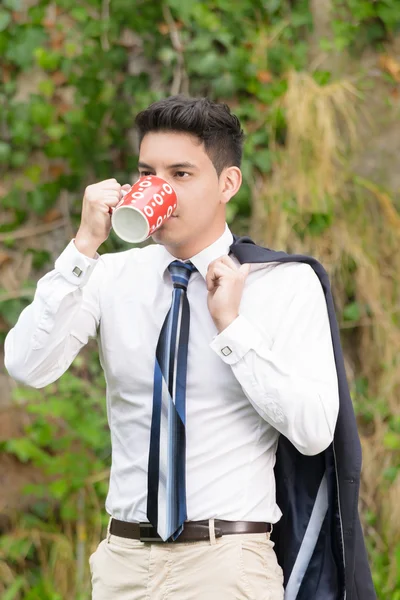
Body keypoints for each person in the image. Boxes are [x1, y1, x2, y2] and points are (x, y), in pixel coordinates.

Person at [5, 96, 356, 599]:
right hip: (123, 564)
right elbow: (26, 365)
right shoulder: (109, 277)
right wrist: (82, 248)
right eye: (148, 172)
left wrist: (233, 329)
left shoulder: (282, 284)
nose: (160, 189)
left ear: (227, 184)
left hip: (227, 565)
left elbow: (315, 431)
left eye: (182, 174)